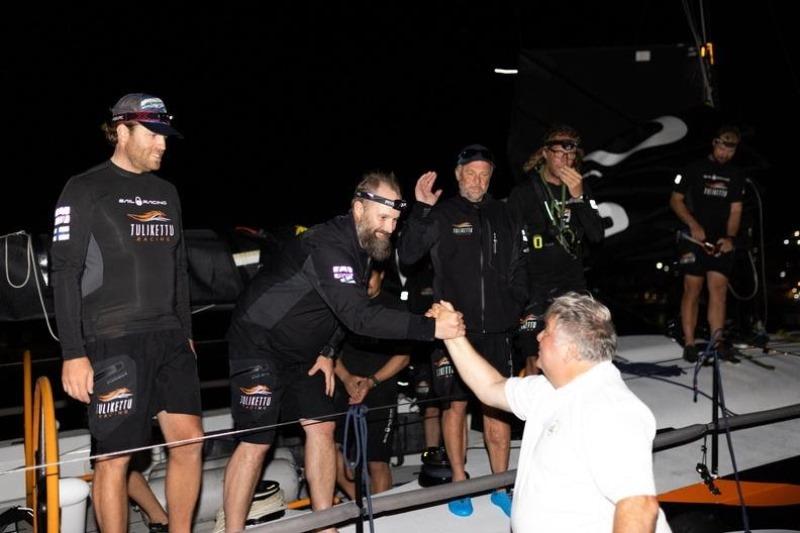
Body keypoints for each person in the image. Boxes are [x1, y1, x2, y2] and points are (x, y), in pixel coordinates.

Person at [221, 171, 465, 533]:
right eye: (383, 218)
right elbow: (359, 317)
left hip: (304, 352)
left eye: (395, 221)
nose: (389, 227)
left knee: (321, 427)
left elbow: (339, 310)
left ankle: (324, 525)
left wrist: (328, 349)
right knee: (257, 442)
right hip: (258, 344)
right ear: (358, 208)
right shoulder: (329, 245)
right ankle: (234, 530)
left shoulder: (364, 248)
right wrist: (431, 329)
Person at [52, 93, 203, 532]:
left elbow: (177, 269)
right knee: (115, 460)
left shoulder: (167, 192)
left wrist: (187, 334)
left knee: (190, 442)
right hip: (111, 338)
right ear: (122, 130)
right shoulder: (84, 188)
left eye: (165, 136)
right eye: (153, 135)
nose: (163, 145)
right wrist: (73, 353)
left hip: (170, 338)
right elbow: (64, 274)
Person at [433, 293, 672, 533]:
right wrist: (454, 337)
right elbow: (490, 387)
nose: (538, 335)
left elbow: (639, 509)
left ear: (570, 349)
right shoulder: (549, 390)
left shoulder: (610, 408)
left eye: (546, 331)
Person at [397, 145, 527, 517]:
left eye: (485, 174)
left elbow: (520, 264)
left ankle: (500, 485)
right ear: (457, 175)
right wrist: (421, 209)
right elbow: (407, 255)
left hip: (498, 329)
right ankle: (459, 483)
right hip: (454, 331)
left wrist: (516, 303)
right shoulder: (440, 214)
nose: (478, 181)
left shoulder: (503, 212)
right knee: (454, 406)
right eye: (471, 173)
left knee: (497, 407)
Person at [508, 125, 604, 376]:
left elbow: (597, 236)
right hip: (534, 286)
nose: (566, 160)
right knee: (535, 360)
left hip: (572, 283)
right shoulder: (523, 193)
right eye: (560, 153)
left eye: (571, 155)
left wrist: (578, 198)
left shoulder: (581, 189)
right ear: (545, 154)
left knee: (578, 357)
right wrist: (517, 293)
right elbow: (511, 246)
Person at [670, 125, 744, 363]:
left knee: (719, 290)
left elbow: (736, 211)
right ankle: (690, 343)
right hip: (693, 239)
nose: (725, 154)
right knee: (692, 289)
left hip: (719, 241)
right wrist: (693, 224)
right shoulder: (693, 169)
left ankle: (717, 342)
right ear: (715, 143)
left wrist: (730, 238)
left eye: (731, 150)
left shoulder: (736, 175)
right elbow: (675, 200)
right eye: (723, 147)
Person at [334, 267, 410, 498]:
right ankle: (360, 506)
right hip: (344, 388)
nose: (365, 282)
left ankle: (381, 518)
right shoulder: (343, 304)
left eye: (371, 277)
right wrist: (346, 377)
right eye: (361, 278)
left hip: (381, 390)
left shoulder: (395, 308)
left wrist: (372, 381)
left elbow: (404, 356)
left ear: (382, 275)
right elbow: (327, 350)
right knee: (330, 452)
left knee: (377, 462)